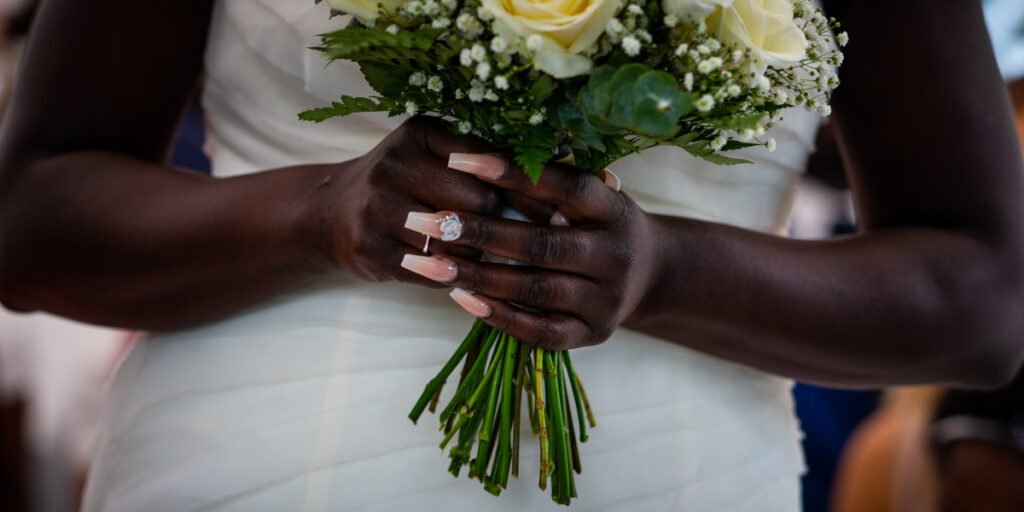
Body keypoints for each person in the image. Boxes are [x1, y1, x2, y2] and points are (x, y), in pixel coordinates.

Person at [0, 0, 1021, 510]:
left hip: (680, 471)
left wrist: (664, 268)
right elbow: (31, 212)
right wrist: (319, 211)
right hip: (264, 463)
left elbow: (984, 297)